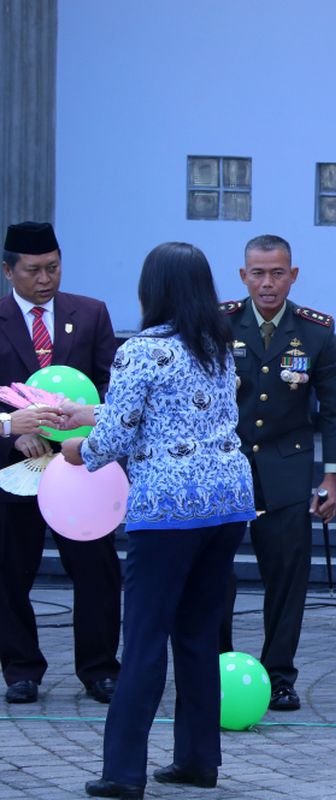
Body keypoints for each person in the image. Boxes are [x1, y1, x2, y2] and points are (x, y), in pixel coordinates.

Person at [57, 242, 256, 798]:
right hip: (225, 503)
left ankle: (123, 772)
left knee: (144, 637)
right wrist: (95, 414)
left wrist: (77, 449)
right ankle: (197, 759)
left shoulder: (141, 348)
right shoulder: (217, 344)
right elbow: (179, 409)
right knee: (196, 633)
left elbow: (119, 433)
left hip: (167, 508)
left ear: (153, 289)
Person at [219, 234, 336, 712]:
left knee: (287, 579)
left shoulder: (316, 332)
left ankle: (278, 676)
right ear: (243, 275)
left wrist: (330, 479)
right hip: (226, 467)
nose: (267, 283)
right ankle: (218, 667)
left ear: (292, 275)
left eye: (277, 273)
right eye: (258, 273)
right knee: (216, 575)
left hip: (287, 470)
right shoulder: (219, 324)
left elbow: (334, 411)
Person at [0, 221, 121, 706]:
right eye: (33, 271)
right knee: (10, 570)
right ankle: (21, 669)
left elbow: (112, 389)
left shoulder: (90, 314)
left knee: (96, 569)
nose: (45, 279)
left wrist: (86, 439)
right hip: (16, 467)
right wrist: (17, 430)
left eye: (53, 267)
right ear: (9, 271)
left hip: (79, 467)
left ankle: (99, 669)